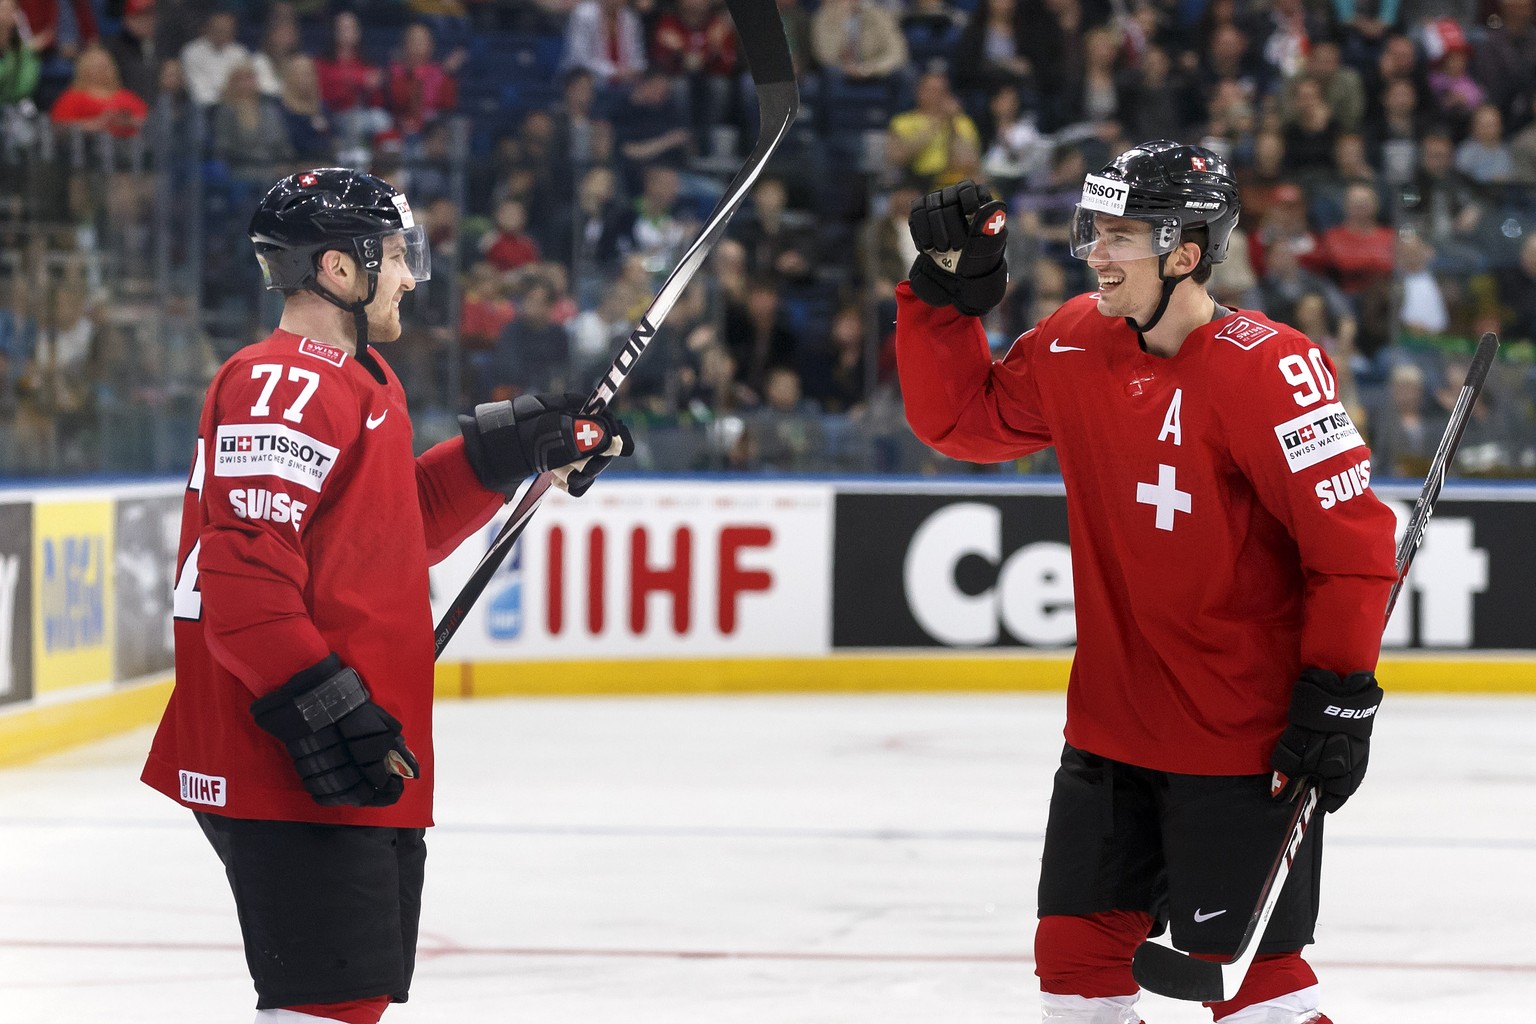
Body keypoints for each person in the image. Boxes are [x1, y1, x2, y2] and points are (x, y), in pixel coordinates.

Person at [894, 141, 1399, 1024]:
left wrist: (1341, 692)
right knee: (1075, 984)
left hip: (1239, 748)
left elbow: (1352, 547)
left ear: (1186, 251)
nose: (1094, 251)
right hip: (1108, 735)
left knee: (1255, 1001)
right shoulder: (1074, 341)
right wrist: (946, 292)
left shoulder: (1271, 369)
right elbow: (960, 419)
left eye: (1119, 235)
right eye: (1093, 229)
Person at [140, 167, 631, 1024]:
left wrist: (516, 448)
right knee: (329, 1007)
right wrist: (332, 712)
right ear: (338, 269)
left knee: (347, 1002)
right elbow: (244, 576)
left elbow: (388, 535)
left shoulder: (354, 377)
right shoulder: (281, 382)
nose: (410, 276)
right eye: (396, 256)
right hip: (289, 747)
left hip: (324, 735)